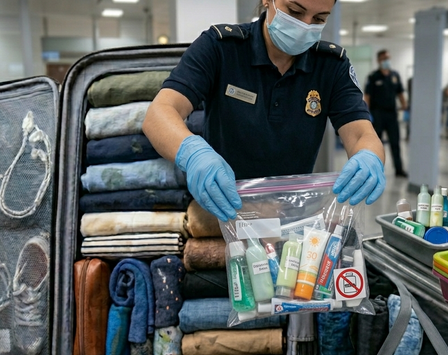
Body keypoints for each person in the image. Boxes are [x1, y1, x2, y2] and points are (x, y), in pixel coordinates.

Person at [143, 0, 386, 222]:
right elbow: (160, 112)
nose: (305, 25)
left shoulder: (331, 65)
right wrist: (194, 154)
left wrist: (369, 157)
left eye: (319, 19)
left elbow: (361, 134)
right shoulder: (221, 47)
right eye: (295, 11)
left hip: (291, 216)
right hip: (223, 209)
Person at [364, 49, 408, 178]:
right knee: (376, 144)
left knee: (395, 143)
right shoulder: (373, 76)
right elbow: (367, 96)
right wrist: (366, 114)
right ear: (378, 60)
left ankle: (399, 170)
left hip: (392, 115)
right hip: (377, 114)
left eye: (387, 58)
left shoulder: (395, 75)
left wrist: (404, 105)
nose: (386, 61)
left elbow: (400, 92)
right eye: (383, 59)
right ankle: (374, 170)